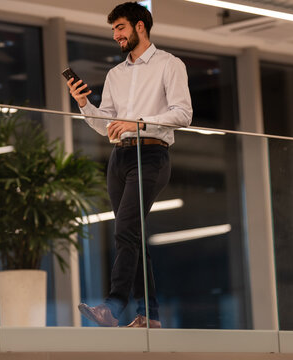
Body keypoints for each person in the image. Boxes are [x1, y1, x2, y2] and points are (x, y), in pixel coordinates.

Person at [66, 1, 192, 328]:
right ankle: (149, 316)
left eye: (120, 28)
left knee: (125, 230)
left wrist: (137, 123)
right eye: (113, 30)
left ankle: (113, 306)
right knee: (131, 233)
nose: (115, 36)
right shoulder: (115, 74)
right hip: (119, 157)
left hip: (151, 155)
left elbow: (182, 114)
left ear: (139, 26)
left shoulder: (169, 64)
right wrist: (84, 105)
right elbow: (106, 124)